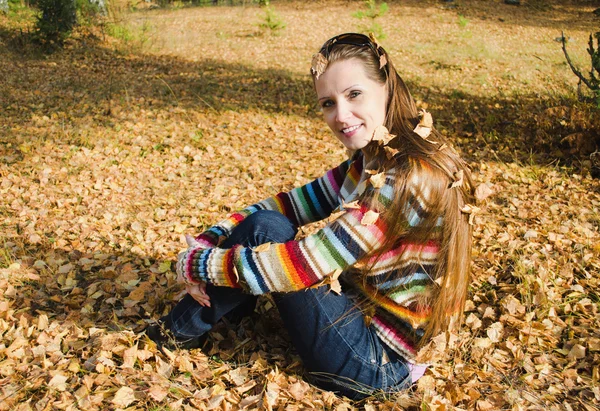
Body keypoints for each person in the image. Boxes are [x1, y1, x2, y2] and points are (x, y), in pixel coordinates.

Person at [147, 32, 475, 400]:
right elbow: (287, 205)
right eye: (327, 103)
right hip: (359, 314)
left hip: (378, 363)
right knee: (267, 225)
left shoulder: (407, 178)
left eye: (354, 95)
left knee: (266, 241)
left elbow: (307, 263)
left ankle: (170, 334)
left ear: (387, 87)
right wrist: (212, 235)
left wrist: (197, 264)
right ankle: (220, 310)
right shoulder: (373, 159)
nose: (341, 116)